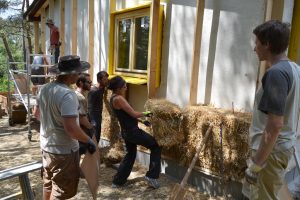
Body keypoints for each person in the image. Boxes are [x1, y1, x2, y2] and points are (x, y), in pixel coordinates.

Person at [242, 20, 300, 199]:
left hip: (270, 153)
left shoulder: (276, 74)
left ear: (267, 44)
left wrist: (257, 163)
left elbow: (275, 124)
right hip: (280, 148)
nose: (254, 48)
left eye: (257, 43)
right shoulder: (294, 68)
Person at [33, 55, 97, 200]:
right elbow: (72, 129)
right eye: (78, 72)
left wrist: (52, 121)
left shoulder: (44, 89)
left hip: (46, 146)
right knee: (61, 191)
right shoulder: (68, 94)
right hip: (63, 151)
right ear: (72, 74)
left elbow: (36, 114)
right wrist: (88, 141)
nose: (79, 75)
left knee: (48, 184)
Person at [108, 76, 161, 189]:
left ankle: (118, 182)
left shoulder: (113, 98)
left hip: (127, 131)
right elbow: (133, 114)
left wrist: (142, 121)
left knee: (130, 155)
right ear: (118, 88)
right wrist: (146, 113)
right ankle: (152, 176)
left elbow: (126, 115)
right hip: (133, 132)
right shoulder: (119, 99)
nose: (126, 87)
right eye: (124, 86)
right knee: (155, 146)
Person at [75, 73, 95, 155]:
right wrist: (91, 127)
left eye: (91, 82)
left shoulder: (78, 94)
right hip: (80, 132)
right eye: (89, 82)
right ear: (81, 83)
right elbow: (81, 118)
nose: (91, 84)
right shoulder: (80, 98)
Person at [87, 71, 109, 144]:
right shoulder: (93, 91)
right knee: (95, 134)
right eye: (105, 79)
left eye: (107, 79)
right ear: (99, 80)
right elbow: (89, 106)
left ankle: (96, 151)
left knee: (98, 133)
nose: (106, 81)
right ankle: (92, 152)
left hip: (99, 114)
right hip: (94, 115)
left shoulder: (102, 88)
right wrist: (92, 120)